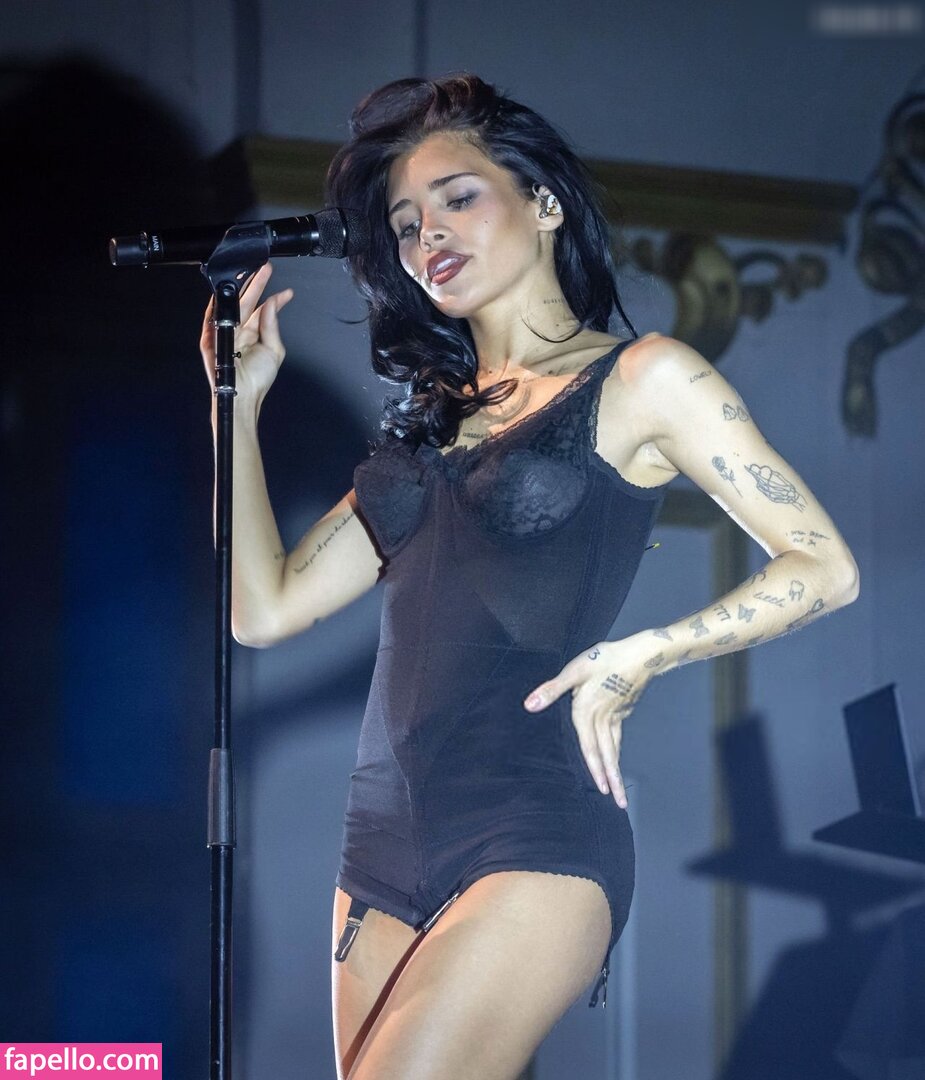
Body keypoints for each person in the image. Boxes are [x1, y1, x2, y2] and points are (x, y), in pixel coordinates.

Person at [200, 73, 859, 1080]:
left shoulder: (642, 379)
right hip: (377, 847)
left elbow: (825, 566)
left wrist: (645, 653)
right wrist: (235, 406)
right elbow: (263, 608)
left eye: (457, 198)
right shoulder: (426, 427)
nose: (427, 235)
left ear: (543, 203)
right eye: (405, 224)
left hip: (532, 828)